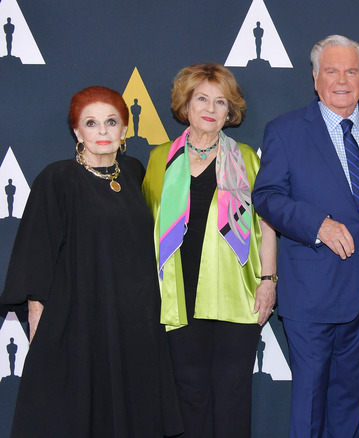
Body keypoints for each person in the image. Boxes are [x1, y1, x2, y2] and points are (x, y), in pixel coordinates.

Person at [1, 85, 182, 437]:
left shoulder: (134, 173)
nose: (102, 132)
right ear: (77, 132)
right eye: (92, 123)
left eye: (111, 122)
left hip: (134, 323)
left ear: (125, 130)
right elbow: (37, 262)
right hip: (79, 323)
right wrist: (40, 341)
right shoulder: (56, 180)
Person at [252, 35, 359, 438]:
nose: (342, 79)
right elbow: (266, 196)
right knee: (311, 404)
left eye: (351, 71)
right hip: (311, 294)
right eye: (331, 70)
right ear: (315, 78)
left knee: (351, 403)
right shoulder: (284, 130)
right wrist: (317, 224)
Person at [142, 63, 277, 438]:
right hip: (177, 295)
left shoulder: (247, 157)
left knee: (232, 395)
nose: (210, 108)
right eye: (202, 98)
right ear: (185, 104)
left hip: (236, 293)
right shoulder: (159, 159)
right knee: (187, 395)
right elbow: (143, 231)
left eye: (221, 102)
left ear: (230, 112)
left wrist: (268, 281)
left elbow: (267, 226)